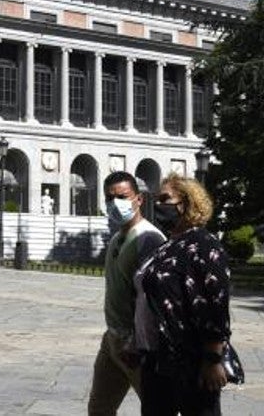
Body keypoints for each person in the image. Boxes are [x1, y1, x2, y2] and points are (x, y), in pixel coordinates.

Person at [134, 174, 232, 416]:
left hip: (191, 359)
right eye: (157, 200)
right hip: (157, 358)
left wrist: (212, 358)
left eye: (166, 198)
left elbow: (216, 303)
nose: (158, 205)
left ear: (187, 203)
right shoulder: (168, 245)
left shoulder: (204, 244)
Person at [88, 172, 165, 415]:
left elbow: (152, 297)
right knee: (99, 408)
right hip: (112, 339)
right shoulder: (117, 238)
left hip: (137, 345)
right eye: (110, 199)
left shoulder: (148, 239)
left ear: (139, 199)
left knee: (158, 407)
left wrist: (135, 341)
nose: (115, 204)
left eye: (122, 197)